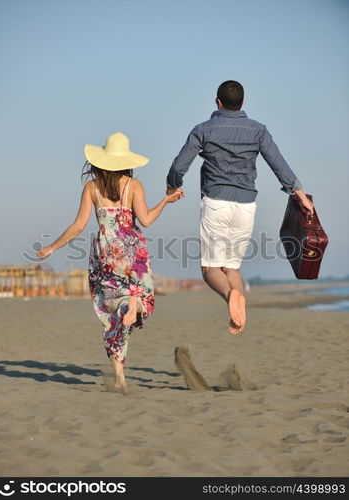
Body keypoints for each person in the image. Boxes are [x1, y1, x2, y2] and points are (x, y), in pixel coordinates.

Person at [37, 132, 183, 392]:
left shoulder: (92, 188)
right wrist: (166, 201)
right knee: (142, 300)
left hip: (105, 253)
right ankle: (132, 303)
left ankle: (120, 377)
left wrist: (52, 247)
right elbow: (146, 220)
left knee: (110, 317)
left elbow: (78, 226)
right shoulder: (134, 185)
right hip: (132, 251)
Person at [166, 80, 314, 335]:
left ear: (217, 102)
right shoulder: (258, 130)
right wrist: (300, 195)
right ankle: (237, 298)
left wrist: (172, 186)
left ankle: (231, 296)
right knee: (231, 268)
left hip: (216, 202)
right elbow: (279, 164)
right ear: (243, 103)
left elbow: (180, 165)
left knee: (210, 269)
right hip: (246, 206)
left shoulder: (203, 129)